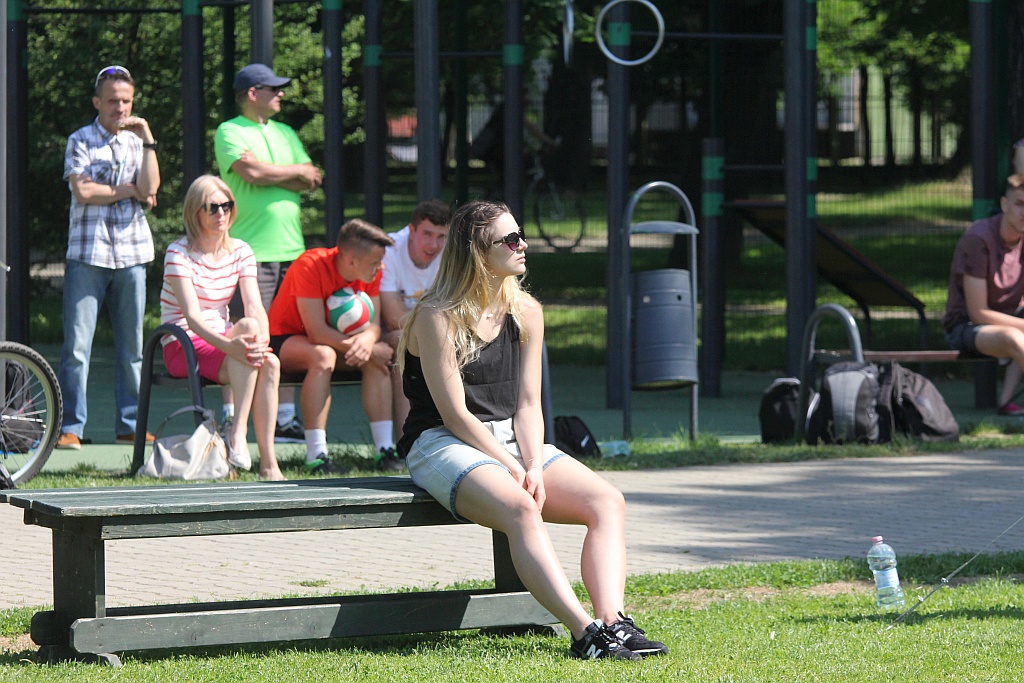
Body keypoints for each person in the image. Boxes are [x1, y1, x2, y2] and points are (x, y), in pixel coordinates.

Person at [396, 201, 667, 660]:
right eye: (510, 239)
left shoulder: (527, 311)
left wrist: (535, 463)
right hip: (441, 440)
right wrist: (511, 466)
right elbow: (456, 415)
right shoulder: (435, 315)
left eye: (520, 235)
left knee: (607, 501)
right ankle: (585, 635)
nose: (523, 246)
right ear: (479, 253)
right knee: (522, 506)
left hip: (509, 436)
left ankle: (613, 622)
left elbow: (527, 405)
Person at [214, 63, 323, 443]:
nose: (281, 94)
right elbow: (250, 174)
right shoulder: (229, 131)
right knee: (249, 334)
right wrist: (287, 172)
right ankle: (233, 418)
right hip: (249, 252)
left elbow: (312, 175)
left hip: (292, 251)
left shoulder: (286, 132)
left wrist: (270, 169)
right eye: (273, 89)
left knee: (287, 334)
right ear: (251, 93)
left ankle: (285, 419)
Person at [57, 65, 161, 450]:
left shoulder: (138, 142)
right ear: (97, 102)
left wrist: (148, 140)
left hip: (132, 254)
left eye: (126, 100)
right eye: (113, 100)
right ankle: (71, 428)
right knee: (76, 349)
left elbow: (151, 187)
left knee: (131, 348)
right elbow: (84, 192)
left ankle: (129, 425)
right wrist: (130, 189)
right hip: (88, 253)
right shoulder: (80, 140)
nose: (120, 107)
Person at [160, 175, 285, 480]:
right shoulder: (178, 253)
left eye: (227, 206)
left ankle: (269, 463)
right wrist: (233, 346)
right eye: (212, 207)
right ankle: (238, 432)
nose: (221, 214)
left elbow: (254, 304)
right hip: (183, 342)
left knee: (268, 359)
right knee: (255, 353)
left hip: (225, 340)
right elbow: (191, 317)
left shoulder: (241, 250)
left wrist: (261, 339)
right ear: (195, 212)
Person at [267, 219, 397, 474]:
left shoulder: (371, 270)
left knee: (376, 358)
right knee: (323, 356)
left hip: (334, 341)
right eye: (375, 262)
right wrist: (368, 347)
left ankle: (385, 450)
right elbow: (316, 332)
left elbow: (373, 325)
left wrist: (369, 342)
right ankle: (316, 456)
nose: (380, 267)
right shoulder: (310, 265)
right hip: (285, 339)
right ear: (350, 261)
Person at [943, 173, 1024, 415]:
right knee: (1013, 337)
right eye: (1020, 204)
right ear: (1004, 204)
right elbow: (978, 314)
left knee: (1014, 334)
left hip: (1012, 320)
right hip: (965, 327)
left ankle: (1006, 401)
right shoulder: (979, 238)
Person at [380, 199, 452, 451]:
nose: (433, 245)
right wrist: (431, 326)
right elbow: (390, 316)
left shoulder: (451, 254)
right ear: (411, 231)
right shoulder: (388, 250)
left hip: (430, 330)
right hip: (384, 335)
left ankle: (452, 437)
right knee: (404, 344)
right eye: (427, 234)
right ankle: (406, 443)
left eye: (441, 236)